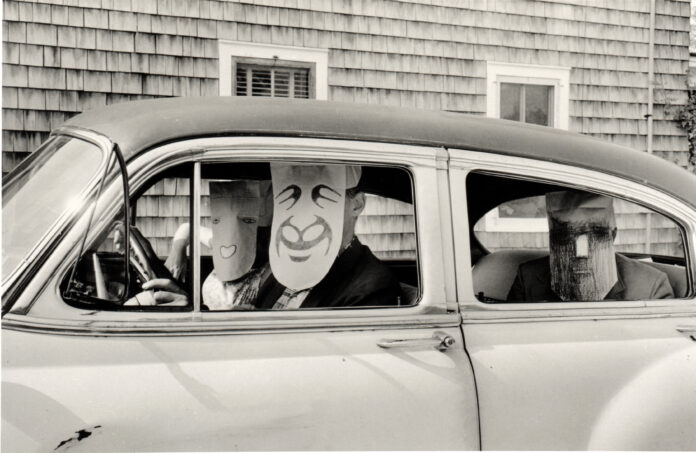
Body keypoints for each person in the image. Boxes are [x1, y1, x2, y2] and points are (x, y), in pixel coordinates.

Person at [254, 163, 402, 309]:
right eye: (292, 199)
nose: (302, 217)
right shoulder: (283, 265)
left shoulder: (373, 287)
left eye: (322, 199)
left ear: (357, 205)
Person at [507, 190, 674, 302]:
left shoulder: (650, 287)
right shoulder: (528, 277)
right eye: (566, 236)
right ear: (553, 238)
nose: (581, 253)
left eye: (595, 235)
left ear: (612, 235)